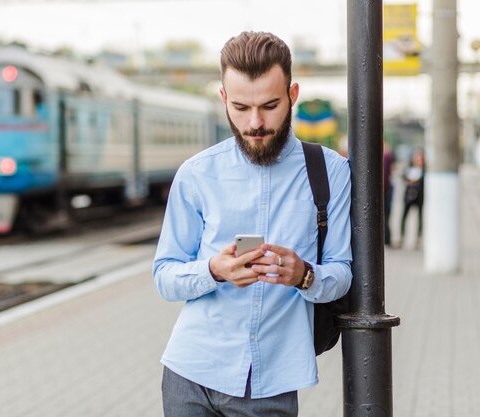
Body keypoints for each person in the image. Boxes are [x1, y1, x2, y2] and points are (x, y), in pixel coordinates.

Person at [152, 31, 352, 417]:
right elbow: (164, 275)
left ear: (293, 95)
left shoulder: (330, 171)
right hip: (189, 373)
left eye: (270, 105)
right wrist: (214, 270)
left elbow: (344, 273)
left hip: (271, 383)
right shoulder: (196, 174)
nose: (255, 122)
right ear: (224, 99)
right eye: (241, 107)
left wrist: (304, 275)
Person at [400, 147, 425, 248]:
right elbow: (403, 177)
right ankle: (402, 236)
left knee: (419, 216)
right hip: (409, 195)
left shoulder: (424, 170)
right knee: (404, 215)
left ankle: (418, 238)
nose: (417, 159)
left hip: (419, 195)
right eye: (416, 157)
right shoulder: (409, 168)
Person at [383, 141, 396, 246]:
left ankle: (386, 238)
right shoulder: (387, 157)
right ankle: (386, 238)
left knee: (385, 216)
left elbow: (385, 177)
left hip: (385, 191)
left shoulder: (385, 157)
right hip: (387, 190)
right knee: (386, 216)